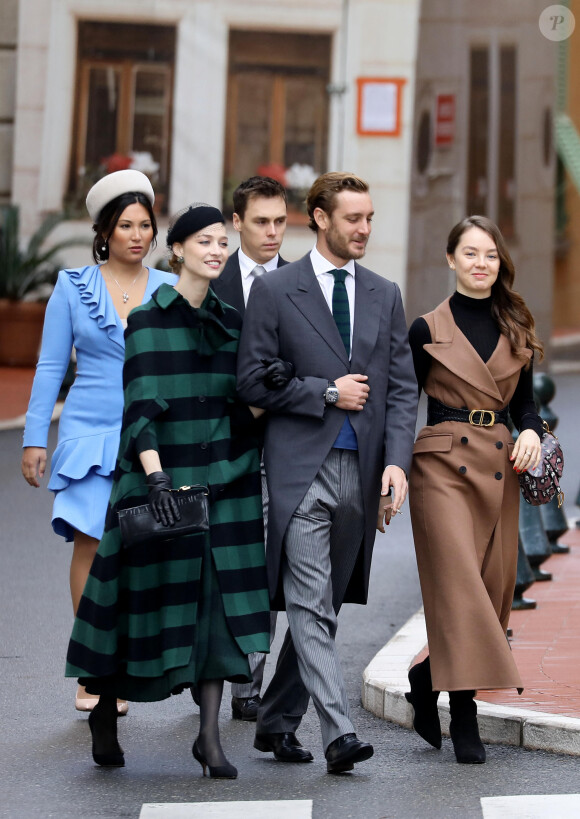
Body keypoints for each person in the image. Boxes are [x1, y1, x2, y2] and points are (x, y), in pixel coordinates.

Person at [65, 203, 270, 779]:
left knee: (215, 606)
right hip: (157, 482)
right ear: (176, 249)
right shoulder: (147, 322)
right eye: (204, 241)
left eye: (222, 243)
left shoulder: (233, 322)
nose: (216, 250)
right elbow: (140, 408)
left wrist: (267, 393)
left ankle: (208, 737)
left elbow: (243, 405)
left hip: (224, 480)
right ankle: (104, 708)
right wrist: (155, 477)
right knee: (136, 604)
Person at [236, 172, 418, 773]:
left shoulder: (384, 293)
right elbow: (253, 378)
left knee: (324, 606)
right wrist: (325, 392)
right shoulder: (275, 290)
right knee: (311, 604)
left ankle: (275, 721)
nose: (364, 229)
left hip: (362, 475)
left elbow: (398, 390)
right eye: (353, 218)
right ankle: (339, 733)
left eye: (369, 218)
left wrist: (396, 464)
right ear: (318, 218)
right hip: (298, 471)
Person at [21, 169, 177, 714]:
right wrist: (34, 438)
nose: (137, 235)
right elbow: (48, 366)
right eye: (125, 225)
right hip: (88, 431)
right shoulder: (71, 287)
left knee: (136, 553)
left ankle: (122, 666)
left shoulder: (168, 288)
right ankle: (92, 670)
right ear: (103, 232)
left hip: (149, 437)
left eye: (145, 226)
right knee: (90, 542)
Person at [406, 215, 544, 765]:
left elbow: (526, 403)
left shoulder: (517, 327)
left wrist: (531, 430)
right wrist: (388, 472)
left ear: (499, 262)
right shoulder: (425, 330)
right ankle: (465, 716)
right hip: (440, 464)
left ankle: (426, 677)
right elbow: (400, 404)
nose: (481, 263)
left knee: (489, 589)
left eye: (489, 254)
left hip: (498, 466)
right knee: (460, 585)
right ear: (451, 260)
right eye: (470, 253)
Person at [214, 175, 289, 722]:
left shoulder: (299, 284)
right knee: (216, 564)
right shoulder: (211, 280)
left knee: (264, 566)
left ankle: (248, 685)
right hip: (216, 446)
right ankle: (208, 668)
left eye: (280, 222)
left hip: (279, 448)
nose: (271, 232)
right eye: (260, 221)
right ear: (236, 223)